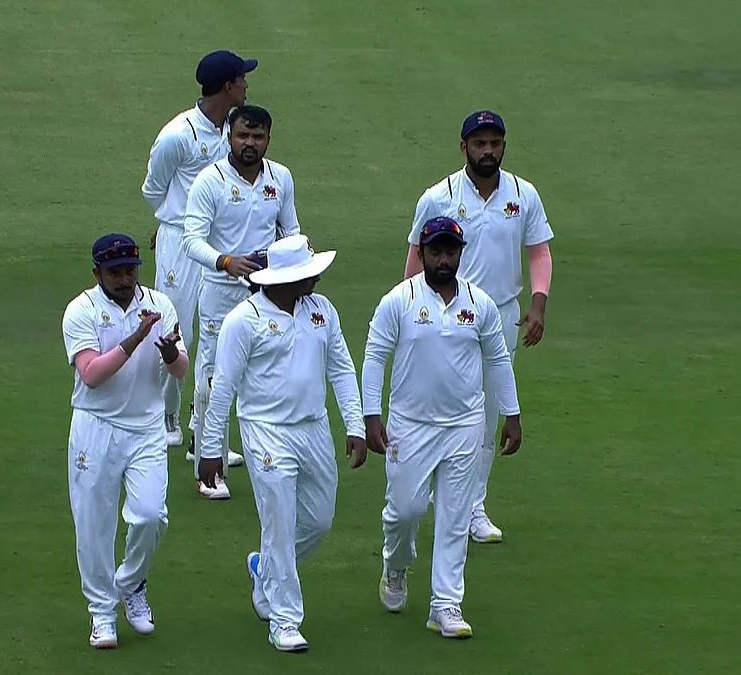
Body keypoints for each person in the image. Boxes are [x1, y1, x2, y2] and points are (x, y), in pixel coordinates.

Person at [198, 234, 366, 652]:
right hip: (265, 430)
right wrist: (210, 450)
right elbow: (223, 390)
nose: (317, 279)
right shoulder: (244, 320)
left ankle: (264, 571)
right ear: (285, 279)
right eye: (308, 274)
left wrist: (355, 425)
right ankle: (285, 620)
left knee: (319, 520)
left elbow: (342, 369)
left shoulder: (321, 310)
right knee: (278, 521)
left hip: (314, 427)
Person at [363, 217, 523, 638]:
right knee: (405, 512)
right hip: (409, 426)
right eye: (435, 251)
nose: (443, 259)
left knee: (454, 517)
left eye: (450, 251)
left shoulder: (481, 304)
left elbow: (498, 361)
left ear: (460, 253)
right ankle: (395, 566)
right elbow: (375, 356)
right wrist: (370, 416)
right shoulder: (398, 301)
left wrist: (512, 413)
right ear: (422, 253)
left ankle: (445, 604)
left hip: (465, 426)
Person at [403, 110, 554, 543]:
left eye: (495, 143)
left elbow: (539, 253)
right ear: (463, 146)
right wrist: (410, 307)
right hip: (443, 314)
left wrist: (538, 305)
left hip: (500, 315)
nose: (488, 151)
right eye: (479, 143)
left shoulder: (523, 195)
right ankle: (428, 486)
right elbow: (416, 257)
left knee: (486, 416)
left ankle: (472, 506)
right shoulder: (438, 197)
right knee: (435, 403)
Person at [61, 234, 190, 649]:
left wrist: (169, 353)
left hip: (146, 427)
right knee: (94, 524)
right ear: (96, 272)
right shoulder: (81, 310)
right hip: (95, 427)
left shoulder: (160, 304)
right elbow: (93, 375)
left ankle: (131, 584)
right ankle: (101, 613)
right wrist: (136, 338)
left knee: (151, 515)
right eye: (115, 272)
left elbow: (181, 370)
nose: (124, 279)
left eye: (130, 270)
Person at [182, 103, 300, 500]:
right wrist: (226, 261)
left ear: (268, 138)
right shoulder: (209, 181)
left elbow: (290, 229)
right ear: (229, 136)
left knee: (265, 372)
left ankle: (268, 454)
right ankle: (206, 463)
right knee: (214, 377)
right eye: (242, 136)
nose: (250, 144)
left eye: (258, 137)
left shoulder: (280, 178)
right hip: (220, 291)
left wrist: (296, 253)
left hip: (266, 291)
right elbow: (191, 238)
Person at [141, 49, 256, 451]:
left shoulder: (235, 130)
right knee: (174, 330)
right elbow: (152, 190)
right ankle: (163, 417)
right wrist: (175, 225)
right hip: (180, 245)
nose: (247, 85)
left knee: (220, 335)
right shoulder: (177, 135)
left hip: (221, 245)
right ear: (227, 86)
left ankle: (203, 429)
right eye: (242, 79)